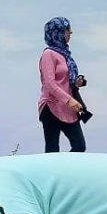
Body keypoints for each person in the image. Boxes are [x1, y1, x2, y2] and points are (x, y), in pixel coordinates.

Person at [38, 17, 87, 154]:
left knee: (79, 145)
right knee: (52, 148)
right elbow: (49, 83)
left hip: (68, 107)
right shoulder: (48, 54)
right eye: (67, 30)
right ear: (58, 32)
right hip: (51, 106)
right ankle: (52, 174)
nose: (70, 33)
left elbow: (65, 78)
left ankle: (67, 171)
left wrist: (77, 81)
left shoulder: (65, 54)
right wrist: (69, 100)